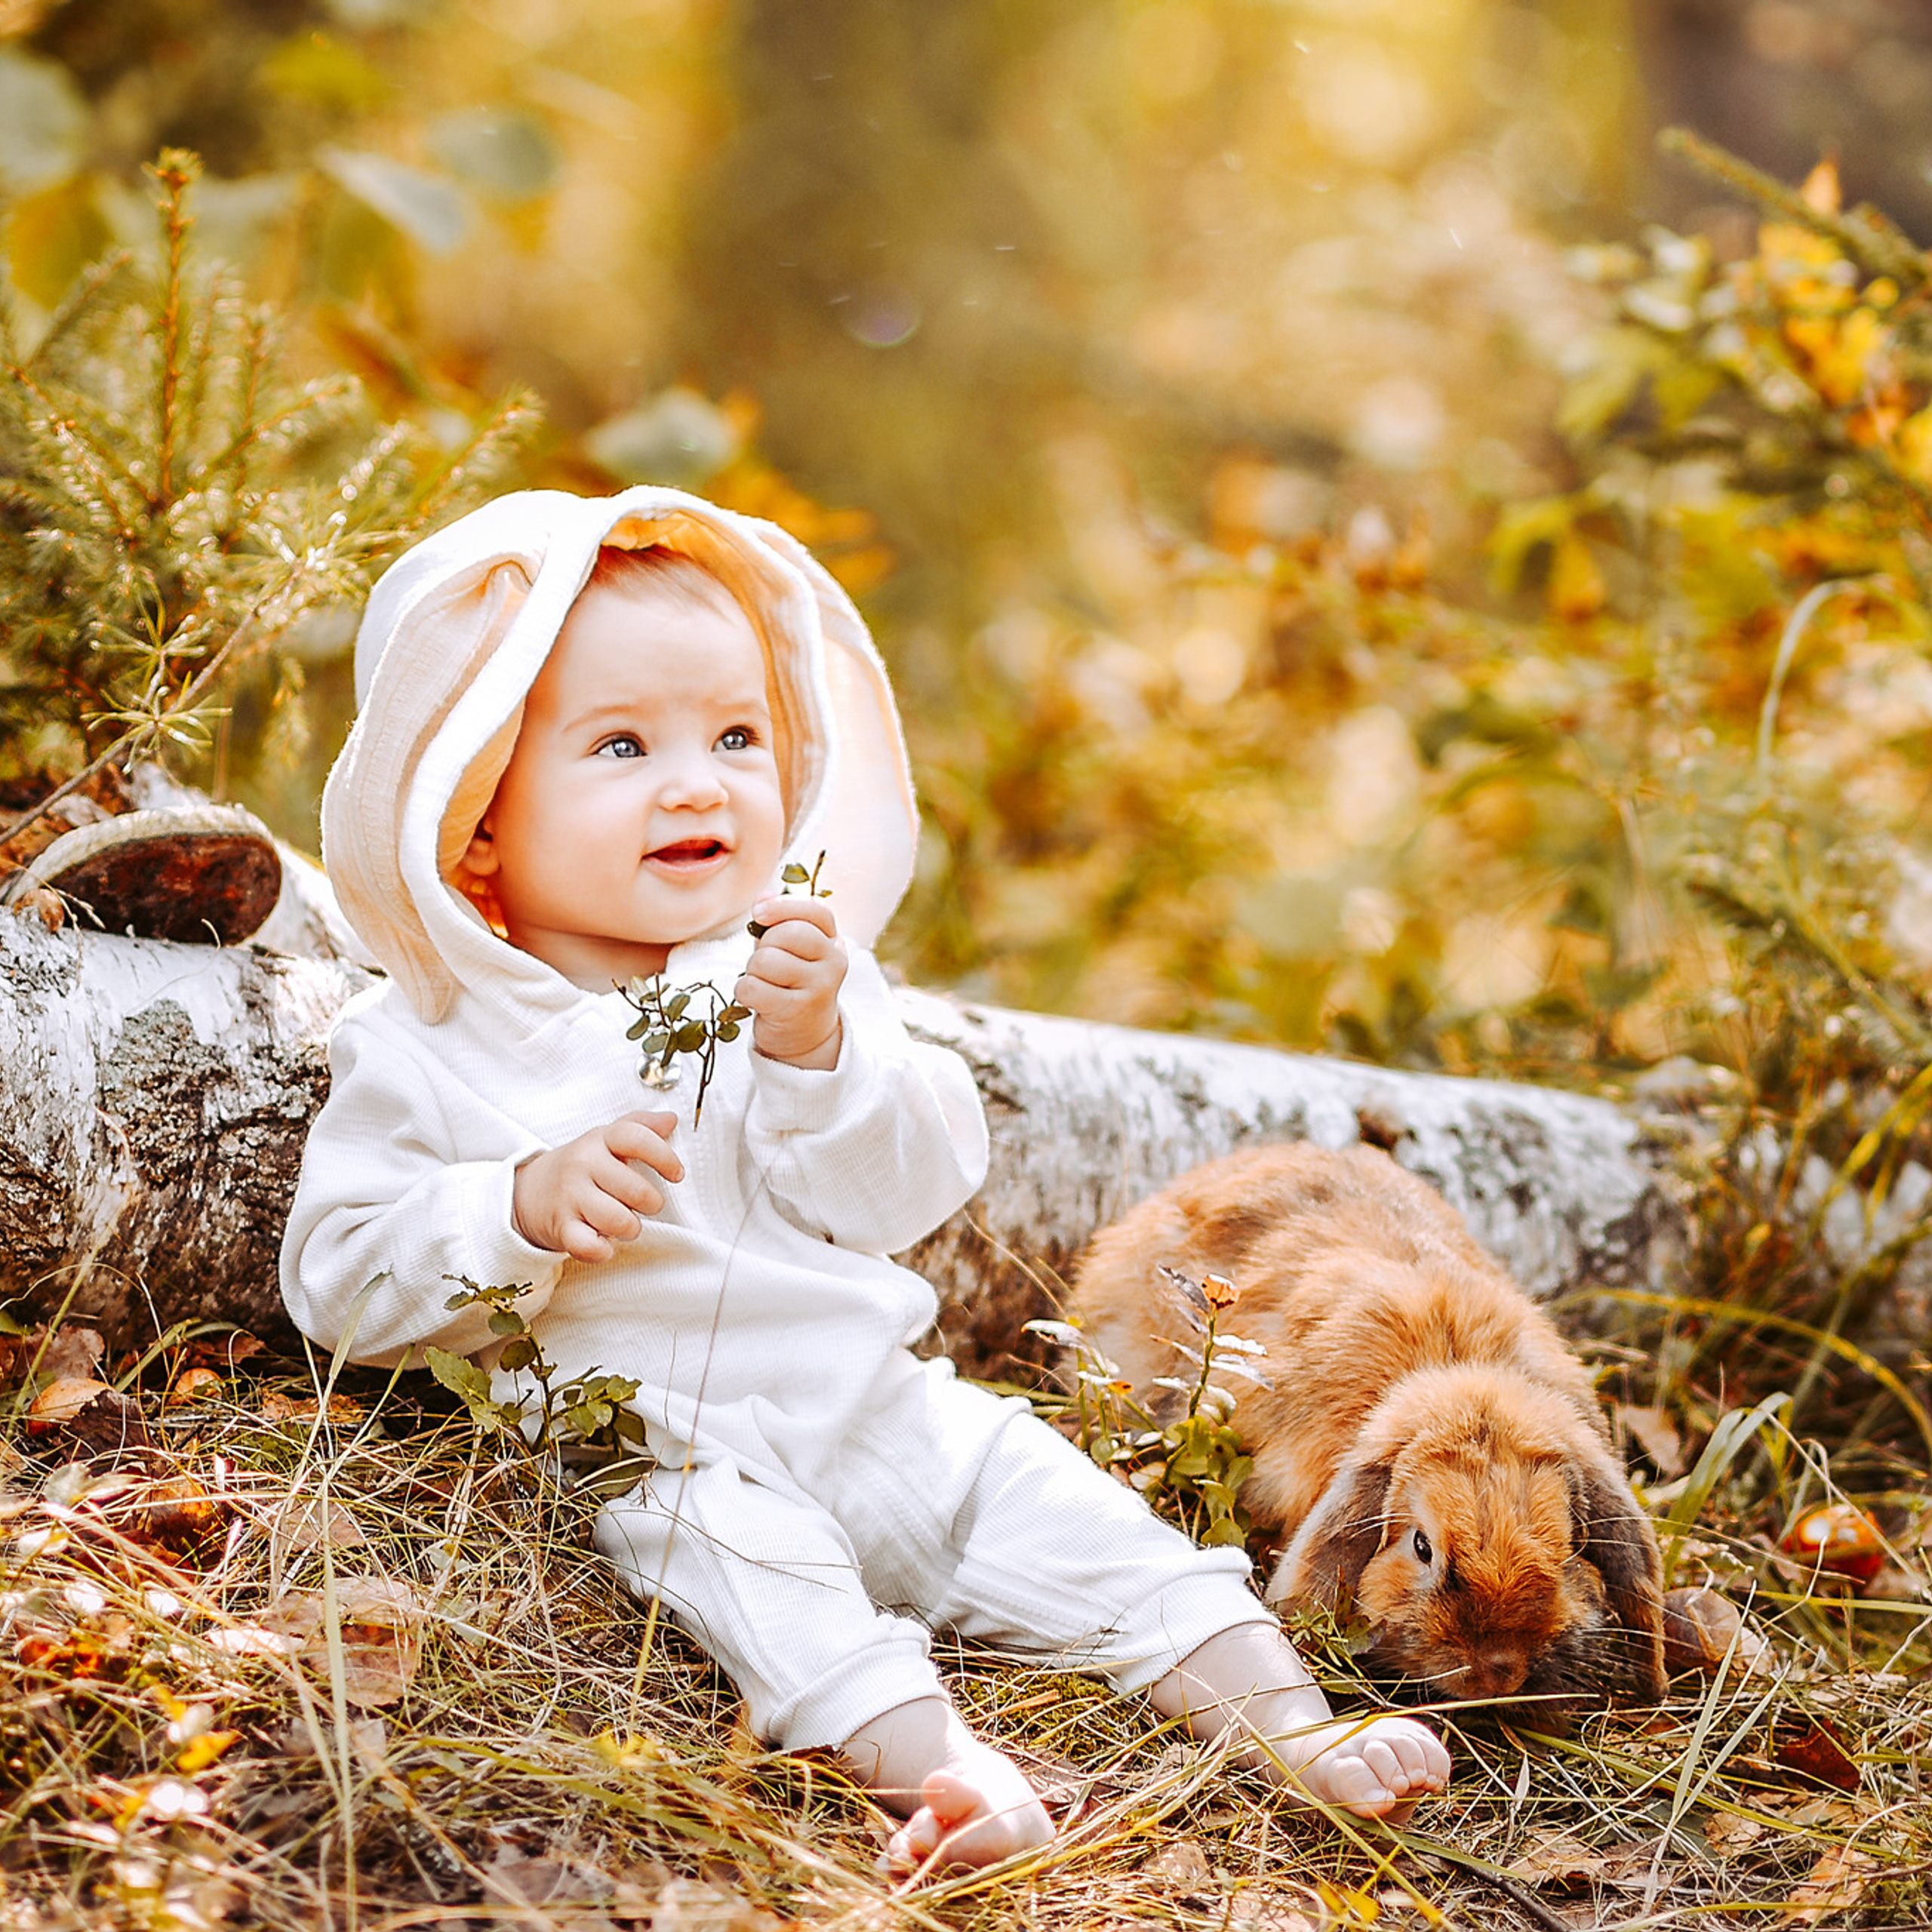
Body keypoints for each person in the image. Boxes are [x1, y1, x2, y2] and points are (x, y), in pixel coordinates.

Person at [281, 487, 1450, 1872]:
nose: (699, 781)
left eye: (734, 735)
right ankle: (940, 1770)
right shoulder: (430, 1037)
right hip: (664, 1437)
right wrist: (513, 1209)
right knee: (758, 1582)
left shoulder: (787, 971)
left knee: (1072, 1515)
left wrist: (823, 1052)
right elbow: (337, 1276)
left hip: (876, 1396)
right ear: (474, 817)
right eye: (619, 745)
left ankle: (1283, 1722)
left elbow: (903, 1192)